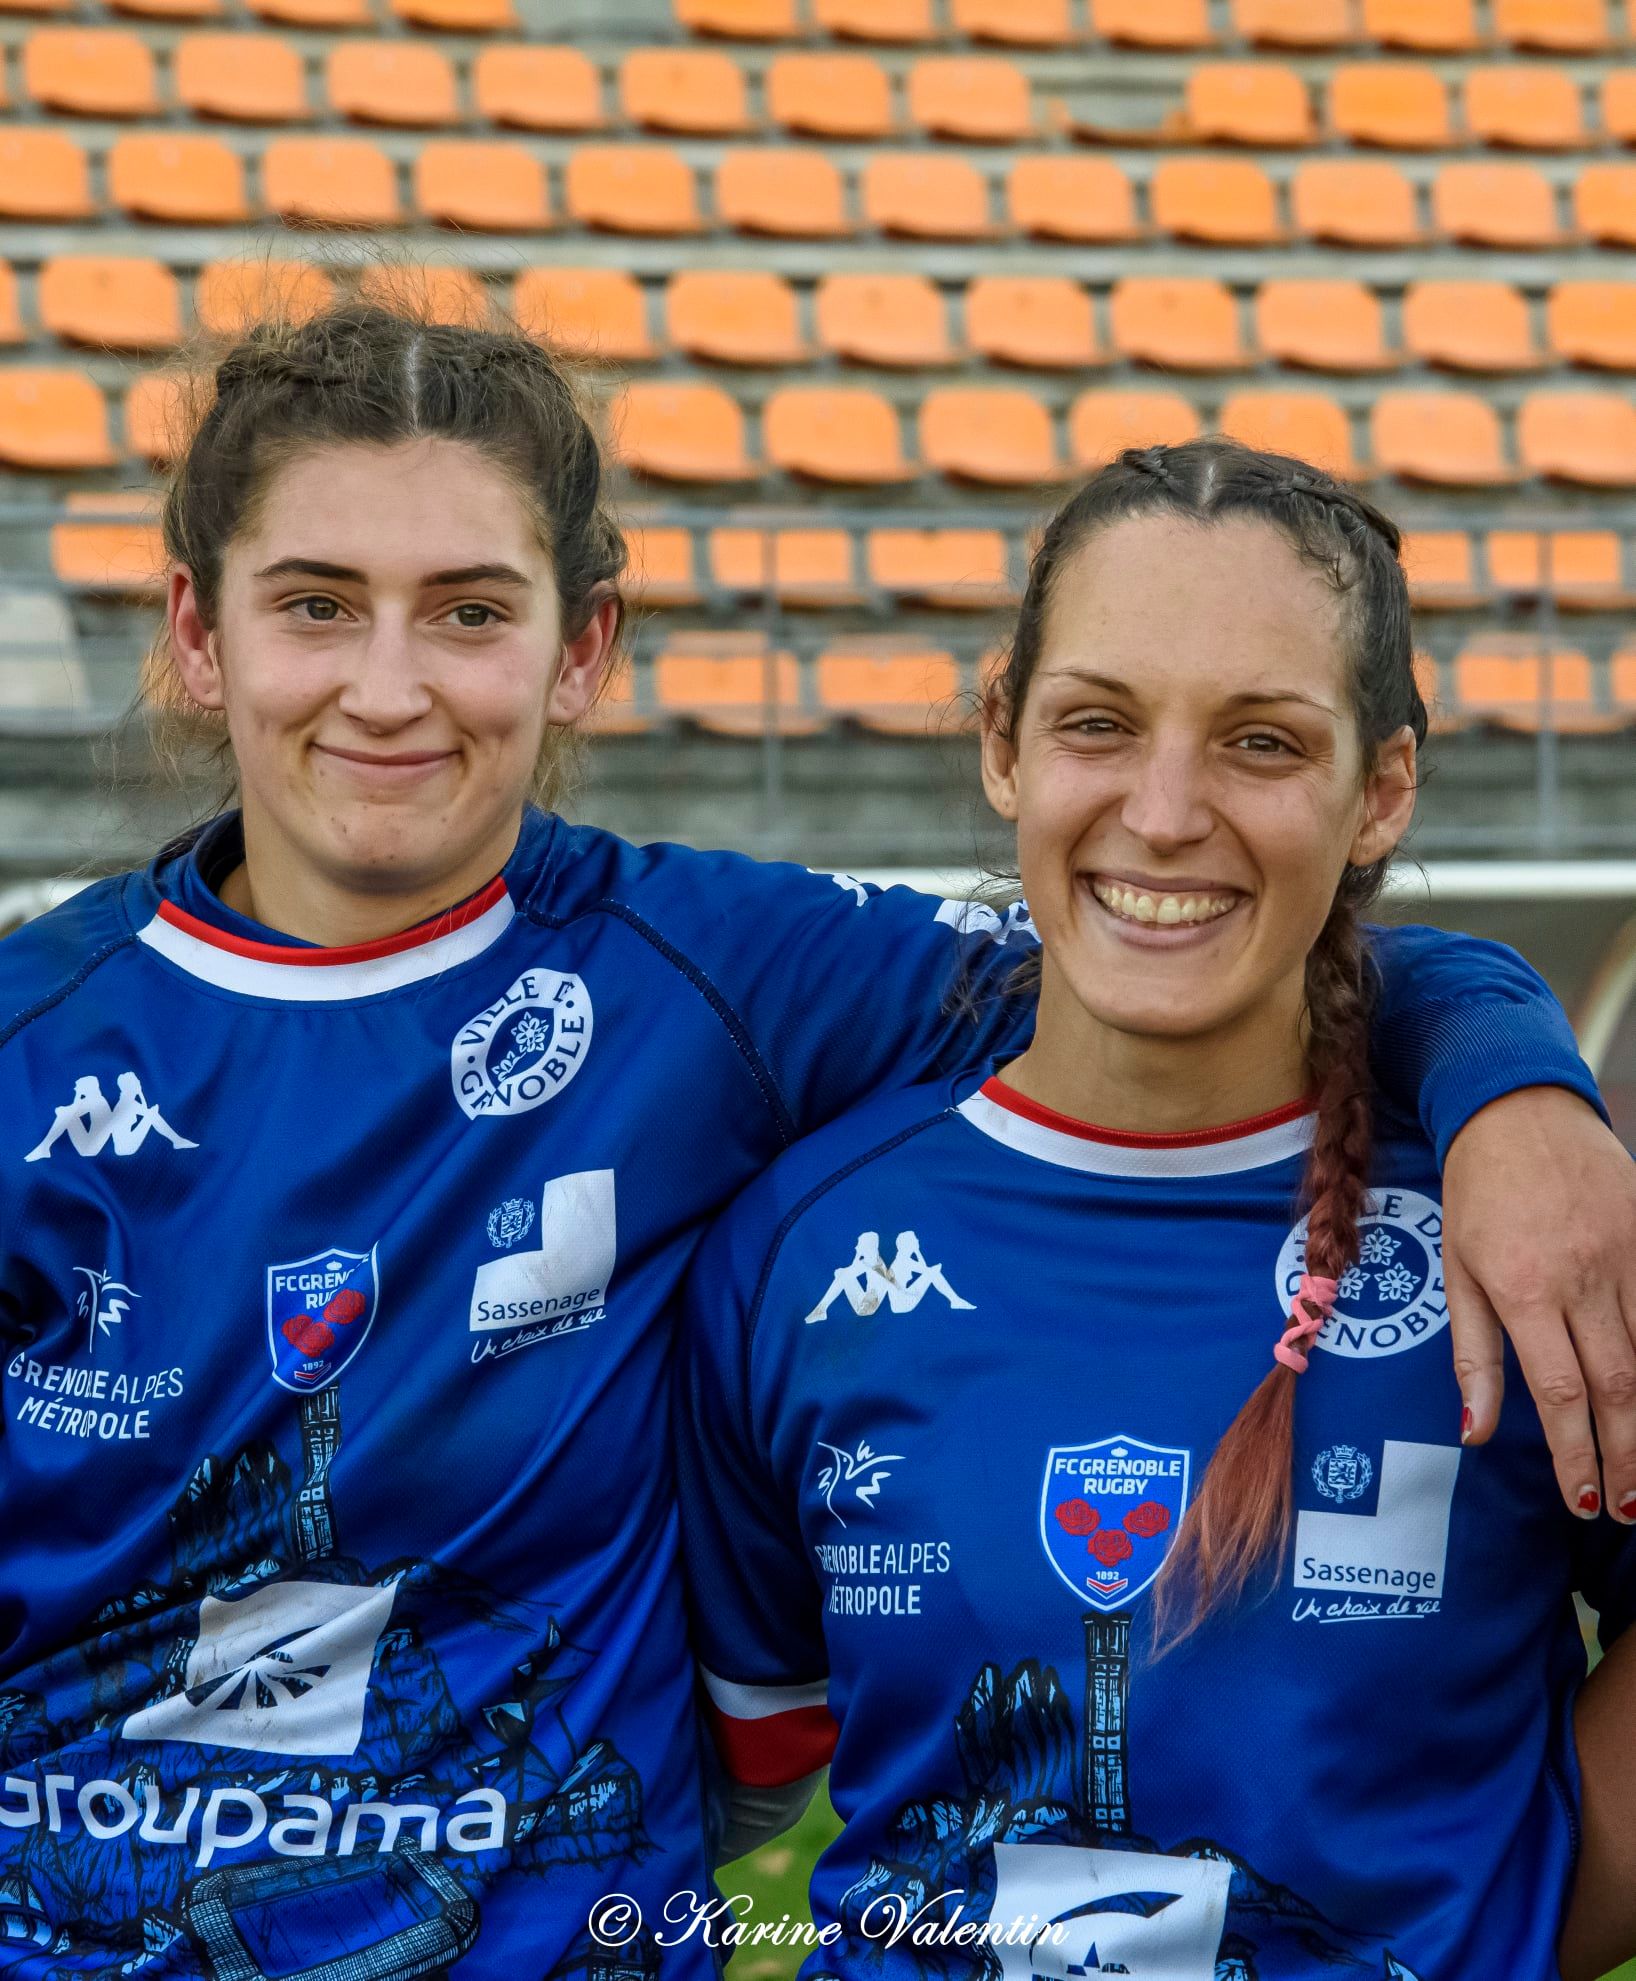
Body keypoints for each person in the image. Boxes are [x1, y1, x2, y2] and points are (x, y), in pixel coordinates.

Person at [0, 300, 1628, 1980]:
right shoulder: (32, 1047)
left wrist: (1516, 1090)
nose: (390, 683)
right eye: (317, 604)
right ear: (199, 631)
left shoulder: (726, 974)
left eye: (471, 610)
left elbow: (1202, 948)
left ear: (584, 646)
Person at [676, 440, 1636, 1979]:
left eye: (1262, 741)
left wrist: (1505, 1928)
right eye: (1098, 723)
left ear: (1382, 788)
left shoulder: (1525, 1234)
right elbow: (745, 1771)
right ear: (1002, 740)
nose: (1167, 810)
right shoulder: (800, 1251)